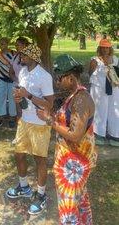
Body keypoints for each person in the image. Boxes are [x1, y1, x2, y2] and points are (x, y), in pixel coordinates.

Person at [37, 54, 97, 225]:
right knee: (80, 204)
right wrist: (51, 116)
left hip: (74, 166)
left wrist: (49, 121)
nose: (57, 82)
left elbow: (76, 135)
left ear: (70, 78)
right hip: (70, 163)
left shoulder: (81, 100)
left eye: (59, 78)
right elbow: (67, 122)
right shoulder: (73, 96)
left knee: (69, 212)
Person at [6, 44, 54, 215]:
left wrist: (29, 96)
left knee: (39, 160)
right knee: (19, 155)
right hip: (24, 121)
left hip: (40, 124)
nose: (21, 58)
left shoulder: (44, 76)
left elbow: (50, 104)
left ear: (33, 57)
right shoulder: (23, 72)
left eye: (24, 55)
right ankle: (24, 186)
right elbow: (22, 93)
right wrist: (19, 97)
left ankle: (41, 195)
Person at [89, 39, 119, 146]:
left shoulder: (115, 59)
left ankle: (115, 135)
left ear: (110, 48)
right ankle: (99, 134)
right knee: (99, 110)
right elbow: (90, 74)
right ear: (100, 48)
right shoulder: (95, 60)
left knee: (114, 110)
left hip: (114, 88)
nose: (105, 49)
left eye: (107, 47)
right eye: (103, 47)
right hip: (99, 89)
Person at [0, 37, 16, 129]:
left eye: (3, 44)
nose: (1, 45)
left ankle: (12, 119)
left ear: (7, 44)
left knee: (12, 99)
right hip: (1, 79)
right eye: (0, 44)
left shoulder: (14, 53)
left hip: (12, 80)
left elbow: (17, 67)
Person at [9, 36, 30, 121]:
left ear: (25, 45)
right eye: (15, 45)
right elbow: (10, 73)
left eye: (18, 45)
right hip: (17, 85)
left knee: (29, 106)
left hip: (28, 86)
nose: (16, 47)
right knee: (18, 106)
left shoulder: (30, 57)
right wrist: (17, 81)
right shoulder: (14, 57)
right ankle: (20, 124)